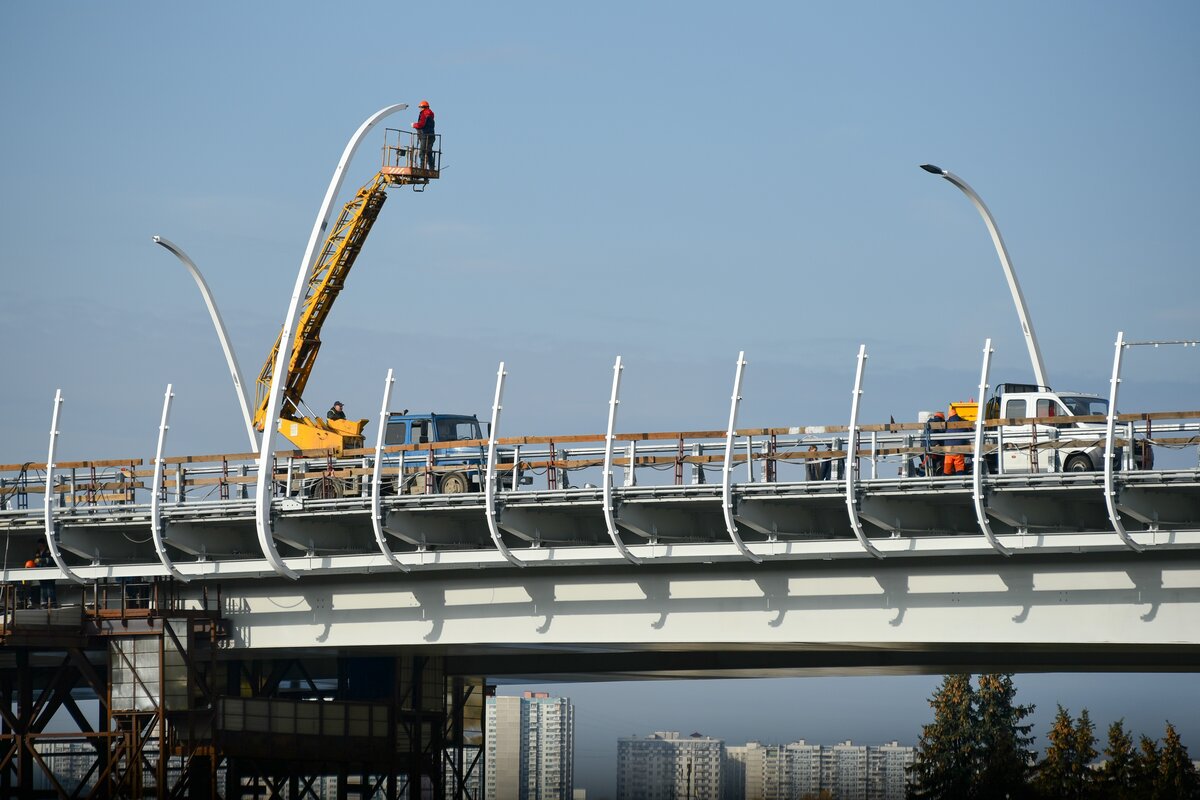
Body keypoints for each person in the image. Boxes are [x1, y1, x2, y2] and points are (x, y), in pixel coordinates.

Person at [411, 100, 435, 170]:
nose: (420, 109)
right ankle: (432, 168)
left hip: (425, 136)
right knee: (429, 152)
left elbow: (421, 124)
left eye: (421, 107)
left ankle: (422, 168)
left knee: (422, 152)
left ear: (423, 107)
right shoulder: (430, 114)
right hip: (431, 136)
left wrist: (414, 125)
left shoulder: (424, 114)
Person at [943, 410, 969, 475]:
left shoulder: (946, 423)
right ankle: (961, 478)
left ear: (949, 416)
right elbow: (968, 430)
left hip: (948, 449)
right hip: (959, 448)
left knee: (947, 466)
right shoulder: (962, 422)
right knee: (959, 465)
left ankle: (944, 480)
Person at [35, 543, 57, 608]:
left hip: (49, 572)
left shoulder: (49, 550)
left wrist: (42, 560)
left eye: (40, 545)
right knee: (43, 587)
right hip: (41, 572)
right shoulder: (38, 551)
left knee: (50, 587)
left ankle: (52, 602)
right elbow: (36, 560)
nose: (39, 547)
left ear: (43, 545)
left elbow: (52, 560)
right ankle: (44, 602)